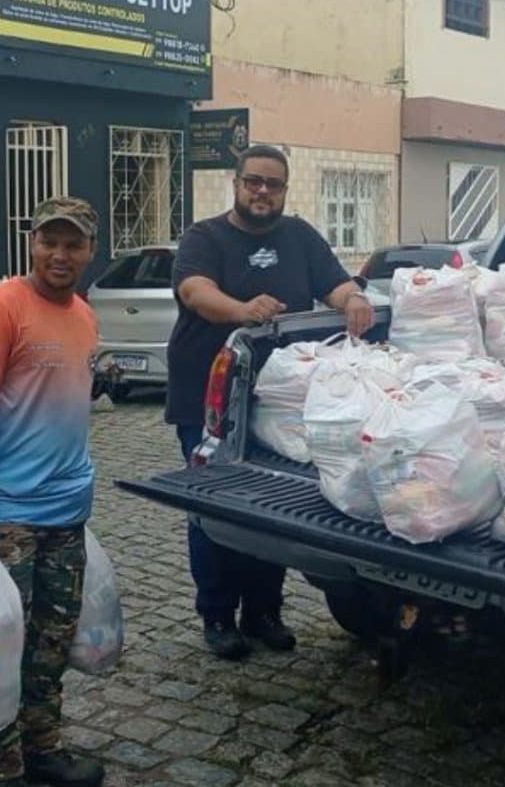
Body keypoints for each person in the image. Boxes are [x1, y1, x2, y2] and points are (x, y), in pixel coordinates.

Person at [165, 144, 375, 660]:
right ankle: (217, 613)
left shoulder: (299, 237)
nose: (262, 191)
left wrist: (356, 300)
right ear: (236, 184)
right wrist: (241, 309)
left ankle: (263, 611)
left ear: (284, 190)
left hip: (276, 406)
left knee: (266, 508)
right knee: (213, 505)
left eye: (273, 184)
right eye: (253, 181)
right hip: (208, 401)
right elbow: (194, 291)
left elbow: (337, 284)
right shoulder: (205, 237)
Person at [0, 196, 105, 787]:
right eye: (49, 241)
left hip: (67, 510)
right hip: (6, 513)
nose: (59, 255)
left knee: (51, 641)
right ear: (32, 242)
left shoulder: (85, 315)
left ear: (90, 251)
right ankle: (2, 768)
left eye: (73, 244)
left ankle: (43, 747)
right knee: (1, 648)